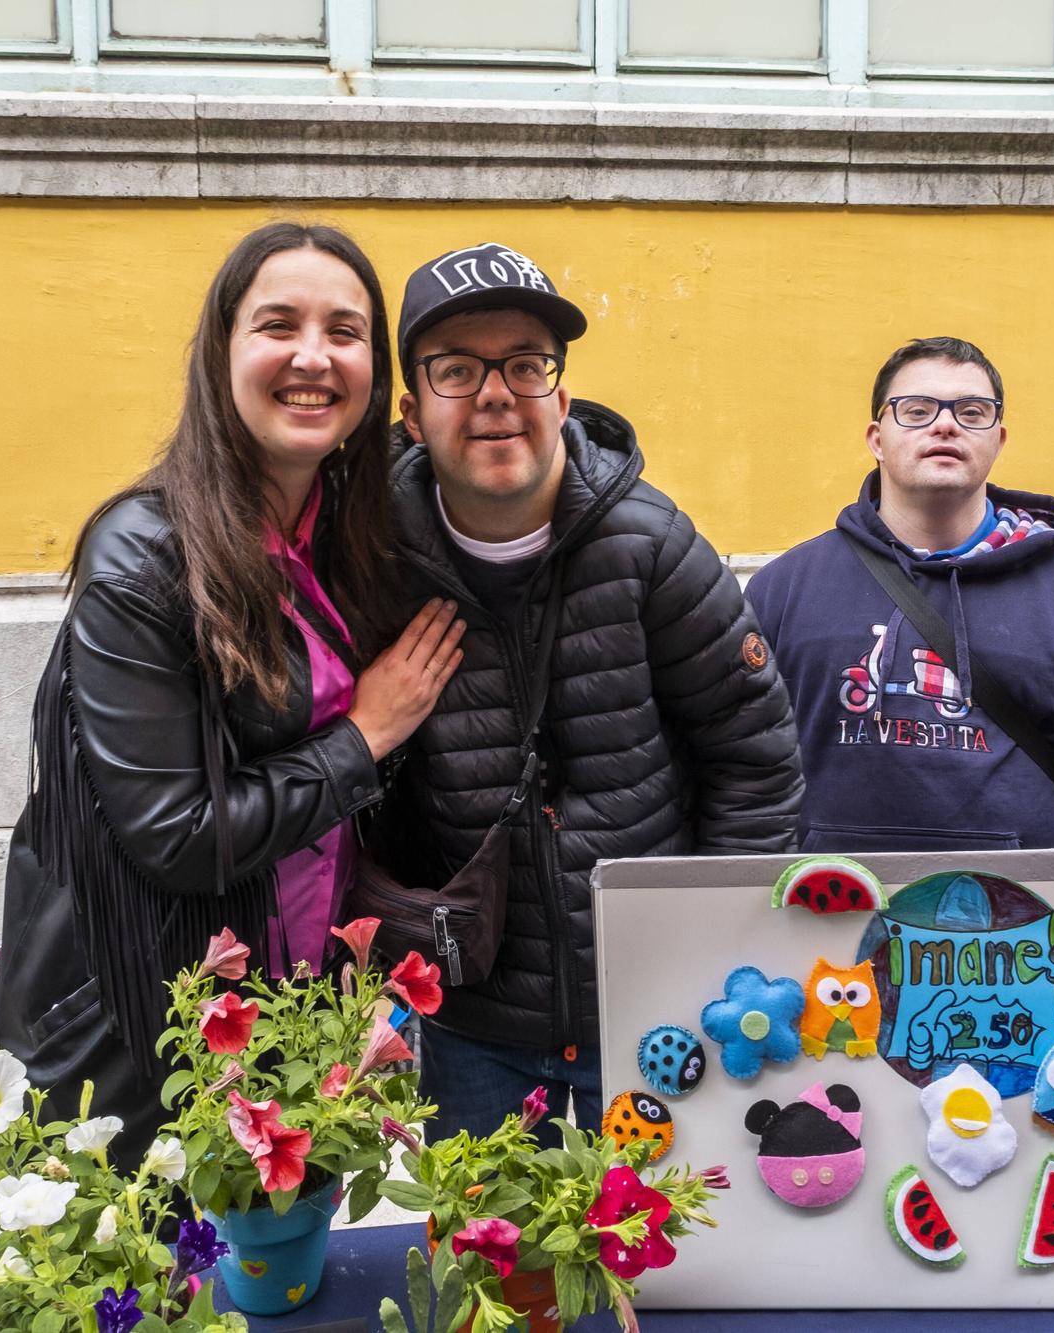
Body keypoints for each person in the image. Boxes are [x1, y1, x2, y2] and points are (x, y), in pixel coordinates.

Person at [0, 223, 465, 1163]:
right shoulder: (142, 556)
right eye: (277, 324)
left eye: (345, 331)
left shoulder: (346, 534)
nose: (312, 356)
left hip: (295, 1006)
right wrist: (364, 736)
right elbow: (176, 834)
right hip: (147, 1027)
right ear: (221, 353)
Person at [378, 242, 805, 1138]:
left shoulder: (652, 549)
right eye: (458, 370)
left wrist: (712, 955)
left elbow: (754, 763)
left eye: (526, 365)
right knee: (499, 1267)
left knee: (668, 1264)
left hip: (651, 1010)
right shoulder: (373, 564)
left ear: (561, 398)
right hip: (474, 1024)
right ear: (413, 414)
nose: (497, 394)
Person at [743, 337, 1054, 1010]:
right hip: (823, 923)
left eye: (971, 411)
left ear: (998, 437)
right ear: (875, 436)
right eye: (916, 408)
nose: (945, 423)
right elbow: (737, 763)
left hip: (1020, 940)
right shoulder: (785, 589)